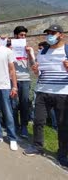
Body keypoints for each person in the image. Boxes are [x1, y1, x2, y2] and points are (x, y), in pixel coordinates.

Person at [24, 25, 68, 168]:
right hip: (42, 91)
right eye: (48, 33)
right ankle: (37, 146)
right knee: (38, 121)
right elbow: (39, 73)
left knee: (63, 125)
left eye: (53, 33)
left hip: (62, 93)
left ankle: (62, 154)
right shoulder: (43, 52)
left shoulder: (67, 50)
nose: (49, 35)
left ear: (61, 35)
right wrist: (36, 70)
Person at [11, 26, 35, 138]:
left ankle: (24, 126)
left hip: (25, 79)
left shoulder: (29, 49)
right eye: (21, 35)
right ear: (15, 36)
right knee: (14, 104)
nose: (23, 37)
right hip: (13, 80)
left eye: (25, 35)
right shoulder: (9, 49)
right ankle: (15, 125)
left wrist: (29, 53)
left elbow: (33, 66)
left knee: (24, 103)